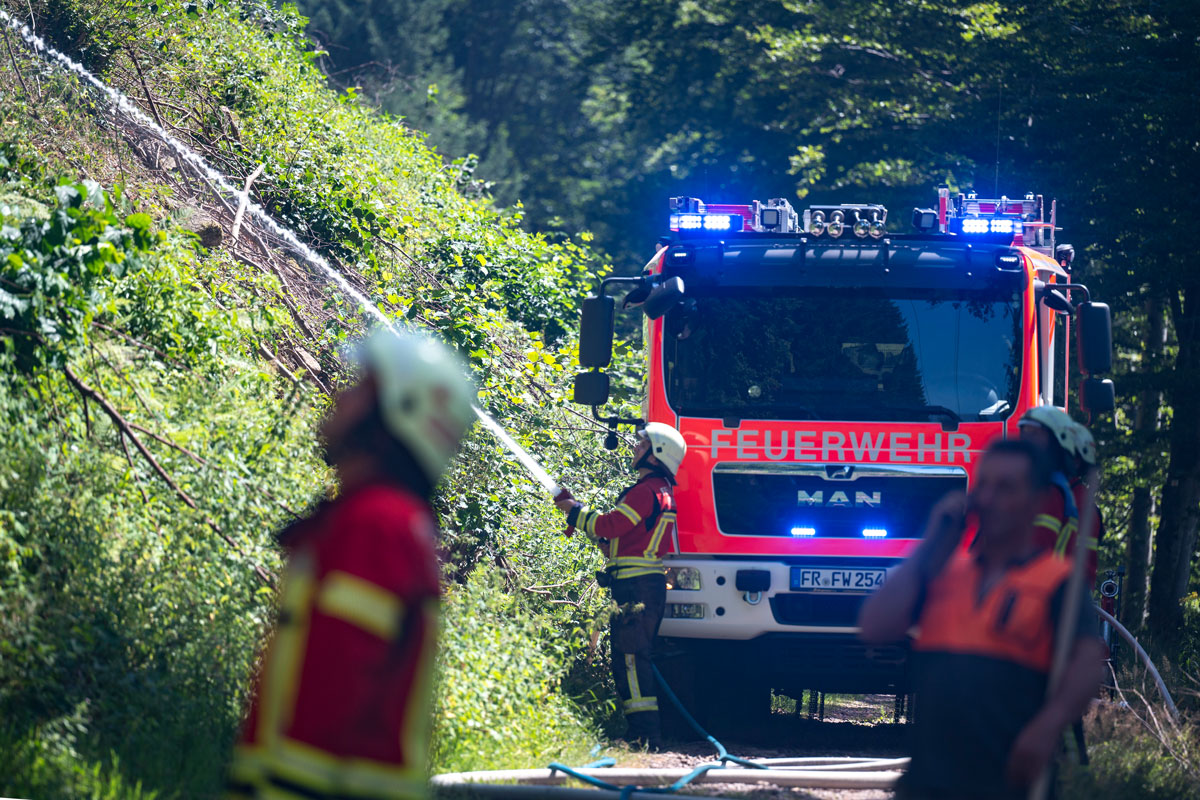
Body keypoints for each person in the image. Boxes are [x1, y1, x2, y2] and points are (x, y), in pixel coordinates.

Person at [226, 328, 476, 800]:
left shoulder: (378, 526)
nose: (341, 398)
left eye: (361, 388)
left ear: (397, 413)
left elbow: (331, 695)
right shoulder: (390, 521)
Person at [858, 440, 1106, 799]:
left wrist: (1047, 727)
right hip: (927, 784)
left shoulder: (1056, 581)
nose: (988, 498)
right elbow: (874, 627)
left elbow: (1087, 666)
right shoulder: (942, 571)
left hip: (1008, 784)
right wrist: (930, 542)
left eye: (1005, 487)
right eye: (983, 485)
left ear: (1037, 501)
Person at [554, 422, 686, 749]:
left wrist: (574, 511)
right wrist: (593, 529)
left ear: (656, 456)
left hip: (635, 587)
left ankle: (644, 736)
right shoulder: (661, 491)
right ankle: (642, 733)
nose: (634, 449)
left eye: (641, 445)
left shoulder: (645, 491)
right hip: (643, 585)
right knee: (631, 659)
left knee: (629, 660)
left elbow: (610, 525)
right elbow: (618, 537)